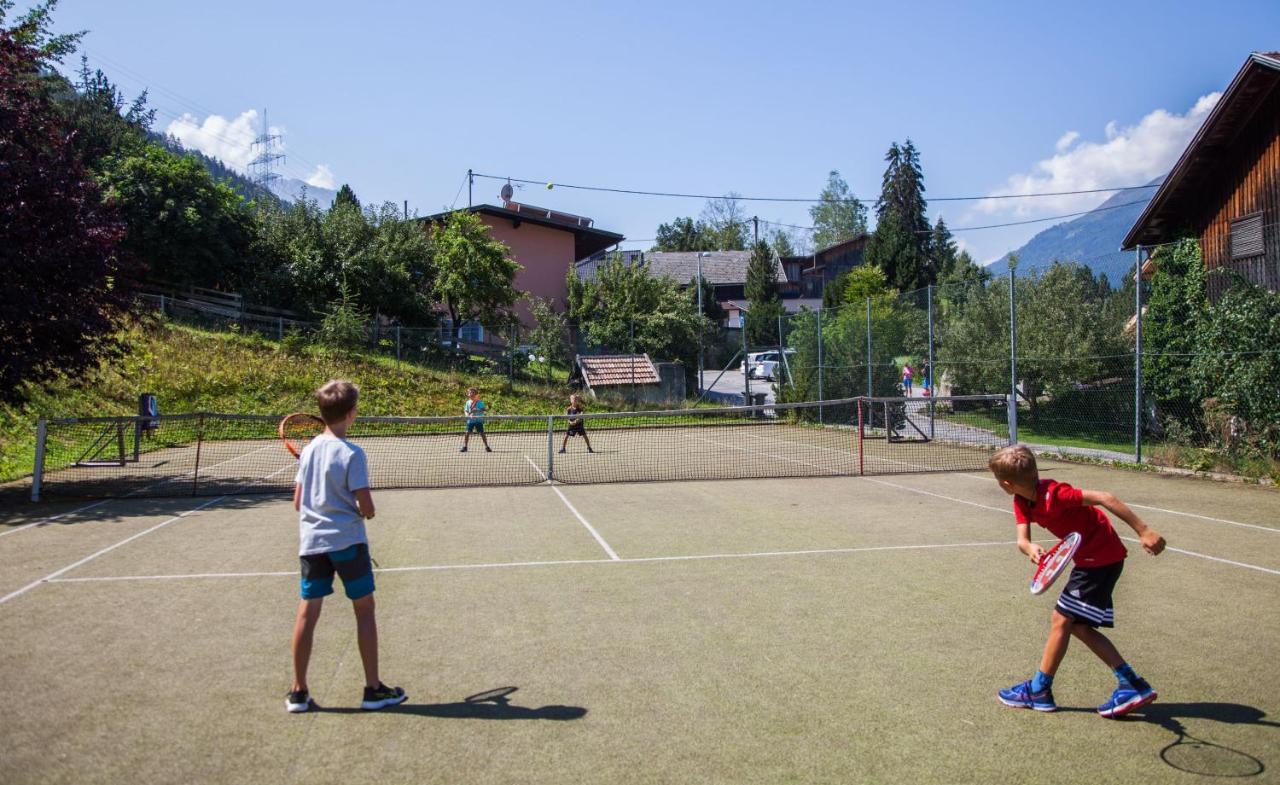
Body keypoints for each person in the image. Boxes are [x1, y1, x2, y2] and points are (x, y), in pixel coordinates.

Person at [987, 444, 1166, 718]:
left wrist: (1144, 530)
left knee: (1061, 620)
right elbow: (1023, 540)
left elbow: (1105, 497)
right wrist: (1031, 549)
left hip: (1102, 560)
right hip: (1089, 561)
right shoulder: (1022, 501)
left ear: (1007, 484)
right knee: (1078, 626)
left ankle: (1040, 689)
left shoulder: (1056, 494)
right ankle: (1130, 682)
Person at [287, 380, 406, 713]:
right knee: (364, 611)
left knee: (307, 613)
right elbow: (365, 506)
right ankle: (373, 689)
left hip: (311, 545)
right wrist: (364, 511)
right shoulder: (352, 453)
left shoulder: (309, 449)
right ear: (352, 413)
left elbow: (298, 502)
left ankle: (298, 691)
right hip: (348, 544)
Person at [460, 387, 491, 453]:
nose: (471, 393)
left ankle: (486, 447)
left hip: (478, 420)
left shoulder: (479, 402)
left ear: (475, 394)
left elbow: (483, 409)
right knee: (467, 433)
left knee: (482, 433)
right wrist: (467, 415)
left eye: (473, 392)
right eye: (470, 392)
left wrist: (477, 410)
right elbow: (466, 410)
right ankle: (465, 447)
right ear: (468, 394)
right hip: (470, 421)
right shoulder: (467, 402)